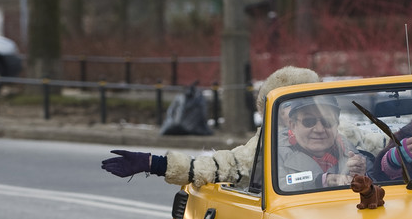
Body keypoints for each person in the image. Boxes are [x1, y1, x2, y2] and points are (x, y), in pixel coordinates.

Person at [101, 65, 319, 187]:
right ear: (275, 114)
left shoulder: (345, 136)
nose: (305, 112)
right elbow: (220, 167)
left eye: (309, 101)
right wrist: (152, 163)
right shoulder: (266, 148)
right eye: (291, 105)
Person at [277, 94, 369, 191]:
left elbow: (377, 192)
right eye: (309, 121)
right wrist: (323, 181)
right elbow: (275, 189)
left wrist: (362, 177)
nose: (319, 129)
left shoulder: (357, 155)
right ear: (293, 125)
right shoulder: (271, 156)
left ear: (337, 125)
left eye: (327, 121)